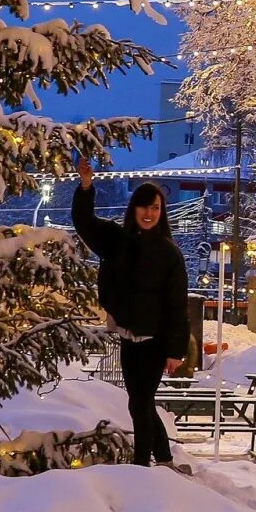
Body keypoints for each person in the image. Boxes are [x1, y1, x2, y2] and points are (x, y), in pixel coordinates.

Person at [71, 157, 189, 472]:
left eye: (155, 208)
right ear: (133, 209)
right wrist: (86, 187)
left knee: (139, 401)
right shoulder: (116, 241)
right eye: (143, 207)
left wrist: (176, 350)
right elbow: (84, 223)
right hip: (128, 337)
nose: (149, 214)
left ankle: (141, 468)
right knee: (141, 402)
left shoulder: (169, 253)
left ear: (161, 212)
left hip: (155, 340)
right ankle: (163, 459)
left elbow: (178, 304)